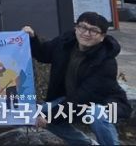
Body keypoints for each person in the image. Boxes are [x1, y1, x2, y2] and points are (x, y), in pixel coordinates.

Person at [22, 12, 132, 146]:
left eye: (93, 31)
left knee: (96, 113)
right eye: (83, 27)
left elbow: (83, 97)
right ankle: (86, 143)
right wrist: (32, 38)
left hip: (105, 103)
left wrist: (49, 116)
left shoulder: (106, 62)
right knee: (38, 113)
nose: (86, 33)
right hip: (74, 101)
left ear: (102, 37)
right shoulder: (65, 43)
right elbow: (43, 53)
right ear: (76, 28)